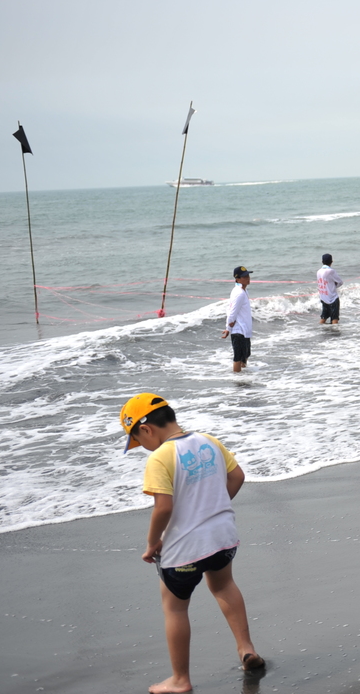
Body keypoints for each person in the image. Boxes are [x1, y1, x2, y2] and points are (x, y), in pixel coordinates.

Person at [121, 392, 264, 693]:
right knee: (224, 586)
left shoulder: (160, 457)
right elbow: (237, 476)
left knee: (174, 608)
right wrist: (214, 508)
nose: (141, 446)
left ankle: (180, 679)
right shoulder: (208, 441)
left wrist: (152, 543)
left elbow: (163, 508)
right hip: (223, 539)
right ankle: (246, 649)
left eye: (137, 440)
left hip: (185, 550)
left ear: (146, 429)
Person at [221, 266, 252, 373]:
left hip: (244, 329)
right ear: (237, 279)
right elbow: (232, 312)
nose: (248, 278)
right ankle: (237, 380)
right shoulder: (239, 293)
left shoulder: (243, 291)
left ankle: (244, 378)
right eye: (244, 277)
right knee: (238, 358)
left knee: (245, 356)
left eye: (248, 275)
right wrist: (228, 328)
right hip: (239, 329)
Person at [316, 253, 343, 325]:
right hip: (332, 298)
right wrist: (333, 286)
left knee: (323, 317)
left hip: (324, 297)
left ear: (322, 262)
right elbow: (340, 282)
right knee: (334, 319)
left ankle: (319, 330)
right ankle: (335, 331)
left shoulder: (318, 271)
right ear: (331, 261)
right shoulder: (331, 271)